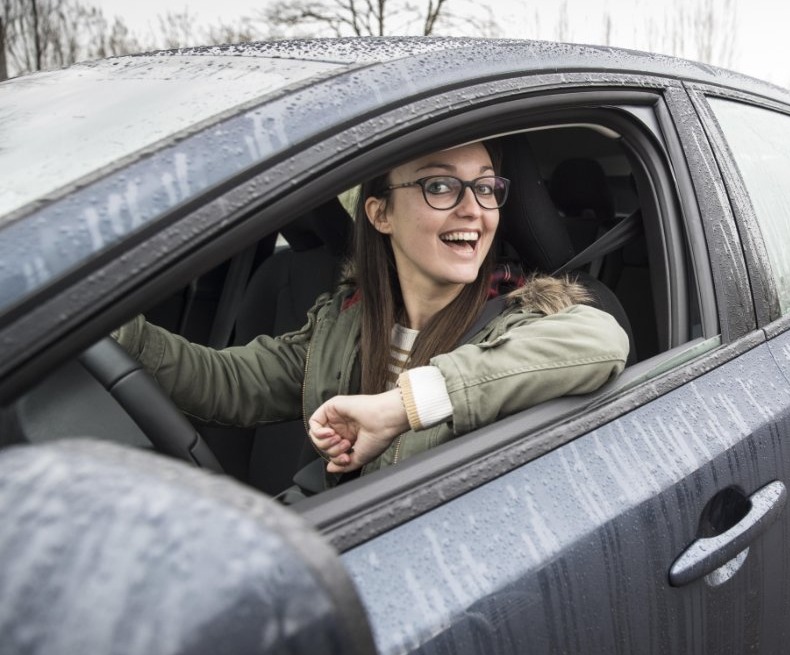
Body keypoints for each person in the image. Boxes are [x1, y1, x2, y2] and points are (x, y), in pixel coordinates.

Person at [114, 140, 629, 484]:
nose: (473, 207)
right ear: (379, 213)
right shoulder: (345, 321)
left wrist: (400, 408)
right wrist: (122, 336)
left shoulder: (521, 319)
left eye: (487, 186)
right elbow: (226, 382)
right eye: (440, 185)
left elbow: (601, 342)